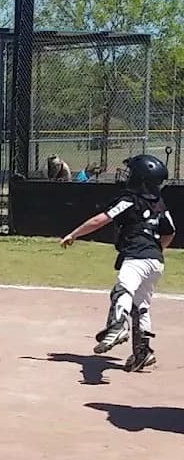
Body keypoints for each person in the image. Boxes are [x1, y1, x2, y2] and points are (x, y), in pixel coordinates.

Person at [61, 153, 175, 371]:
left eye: (132, 173)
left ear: (139, 179)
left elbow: (101, 219)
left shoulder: (128, 200)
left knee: (121, 291)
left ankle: (117, 327)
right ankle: (143, 352)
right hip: (155, 261)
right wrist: (157, 250)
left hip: (137, 256)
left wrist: (74, 234)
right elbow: (170, 231)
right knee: (141, 305)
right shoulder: (159, 204)